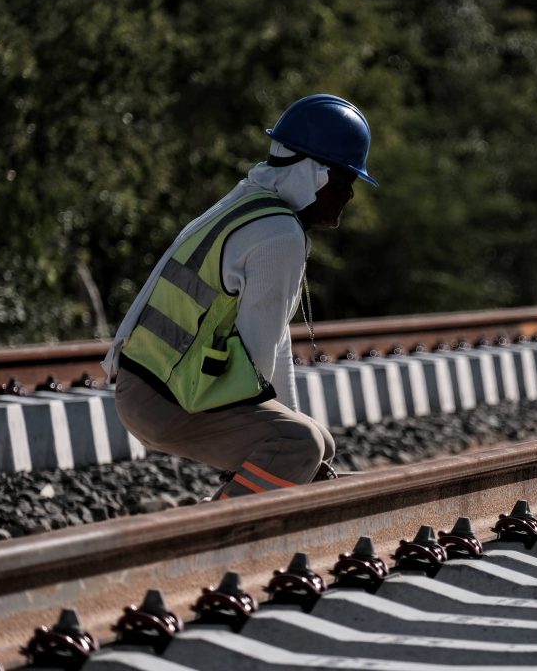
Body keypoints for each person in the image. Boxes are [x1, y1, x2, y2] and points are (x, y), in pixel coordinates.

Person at [102, 94, 378, 500]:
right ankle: (211, 539)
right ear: (315, 175)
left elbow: (277, 339)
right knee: (300, 446)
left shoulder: (252, 204)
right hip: (163, 399)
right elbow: (257, 354)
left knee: (315, 444)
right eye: (346, 181)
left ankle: (226, 520)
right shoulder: (280, 235)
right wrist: (281, 444)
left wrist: (290, 428)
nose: (350, 196)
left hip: (151, 387)